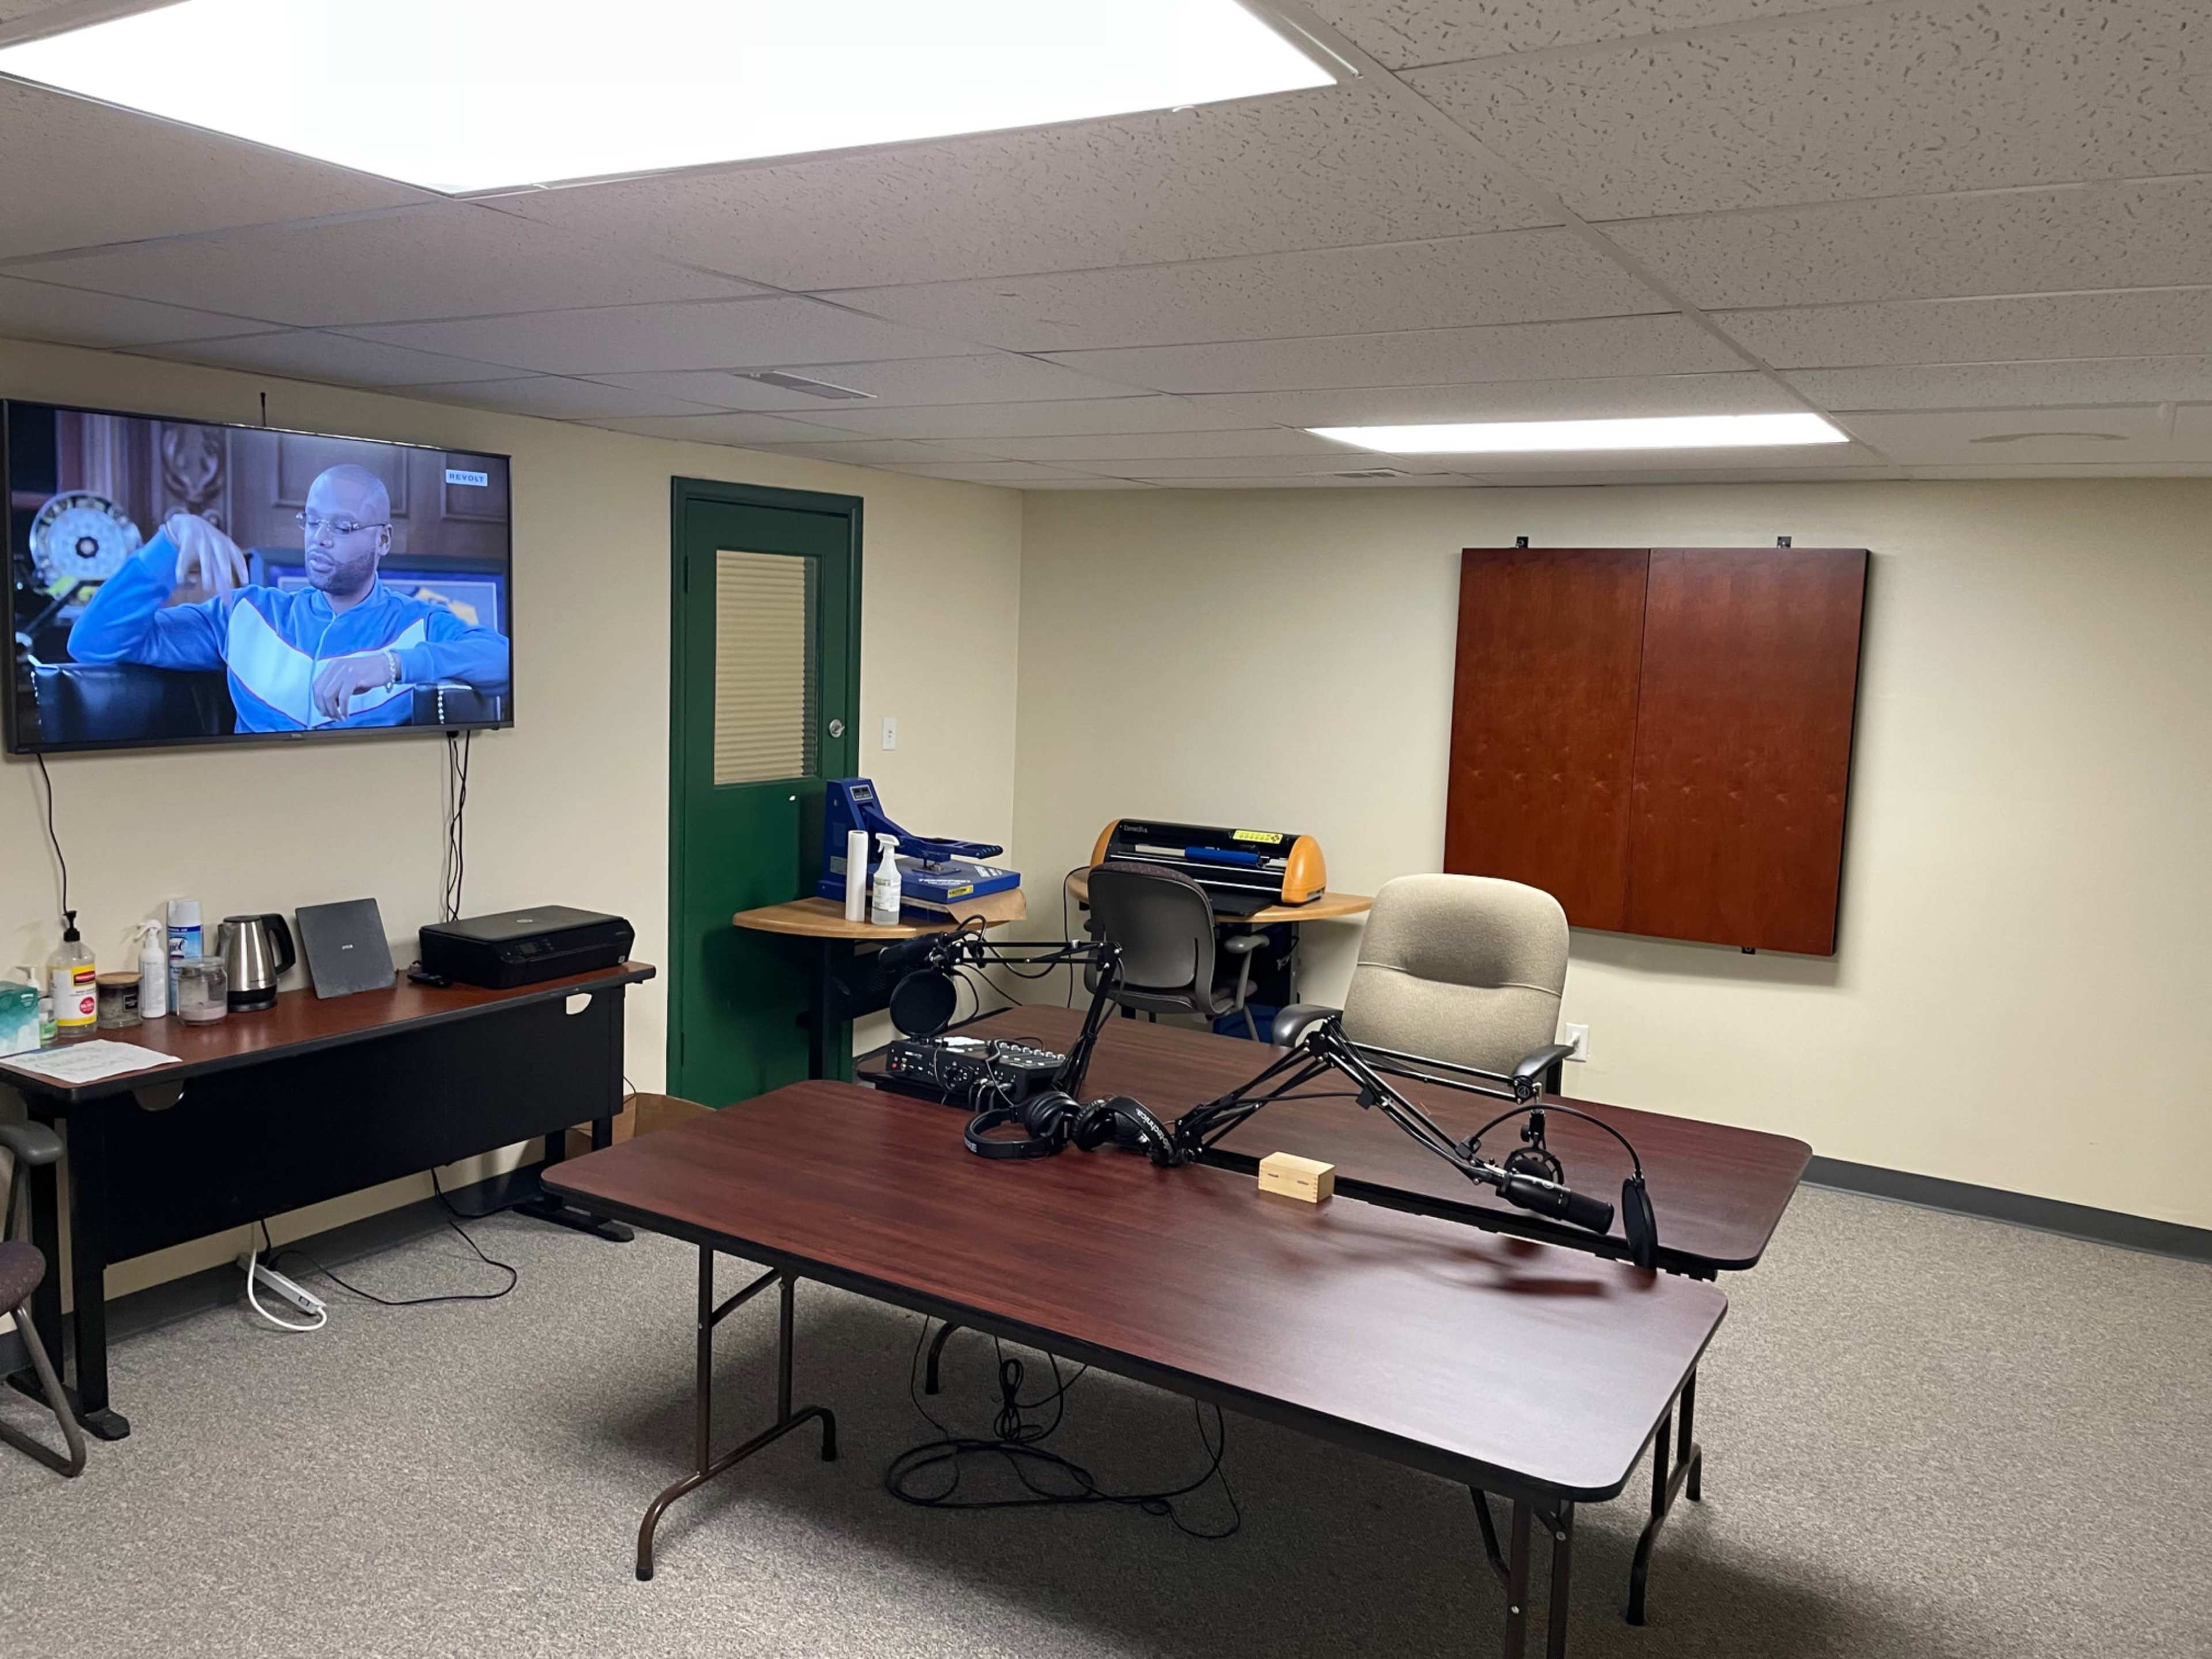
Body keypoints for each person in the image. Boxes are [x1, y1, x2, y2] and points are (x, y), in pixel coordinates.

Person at [69, 464, 509, 732]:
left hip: (377, 817)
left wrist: (394, 665)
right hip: (253, 816)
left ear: (384, 540)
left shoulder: (419, 622)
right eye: (312, 521)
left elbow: (505, 664)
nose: (319, 539)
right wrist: (170, 539)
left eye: (342, 527)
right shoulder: (245, 612)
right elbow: (92, 643)